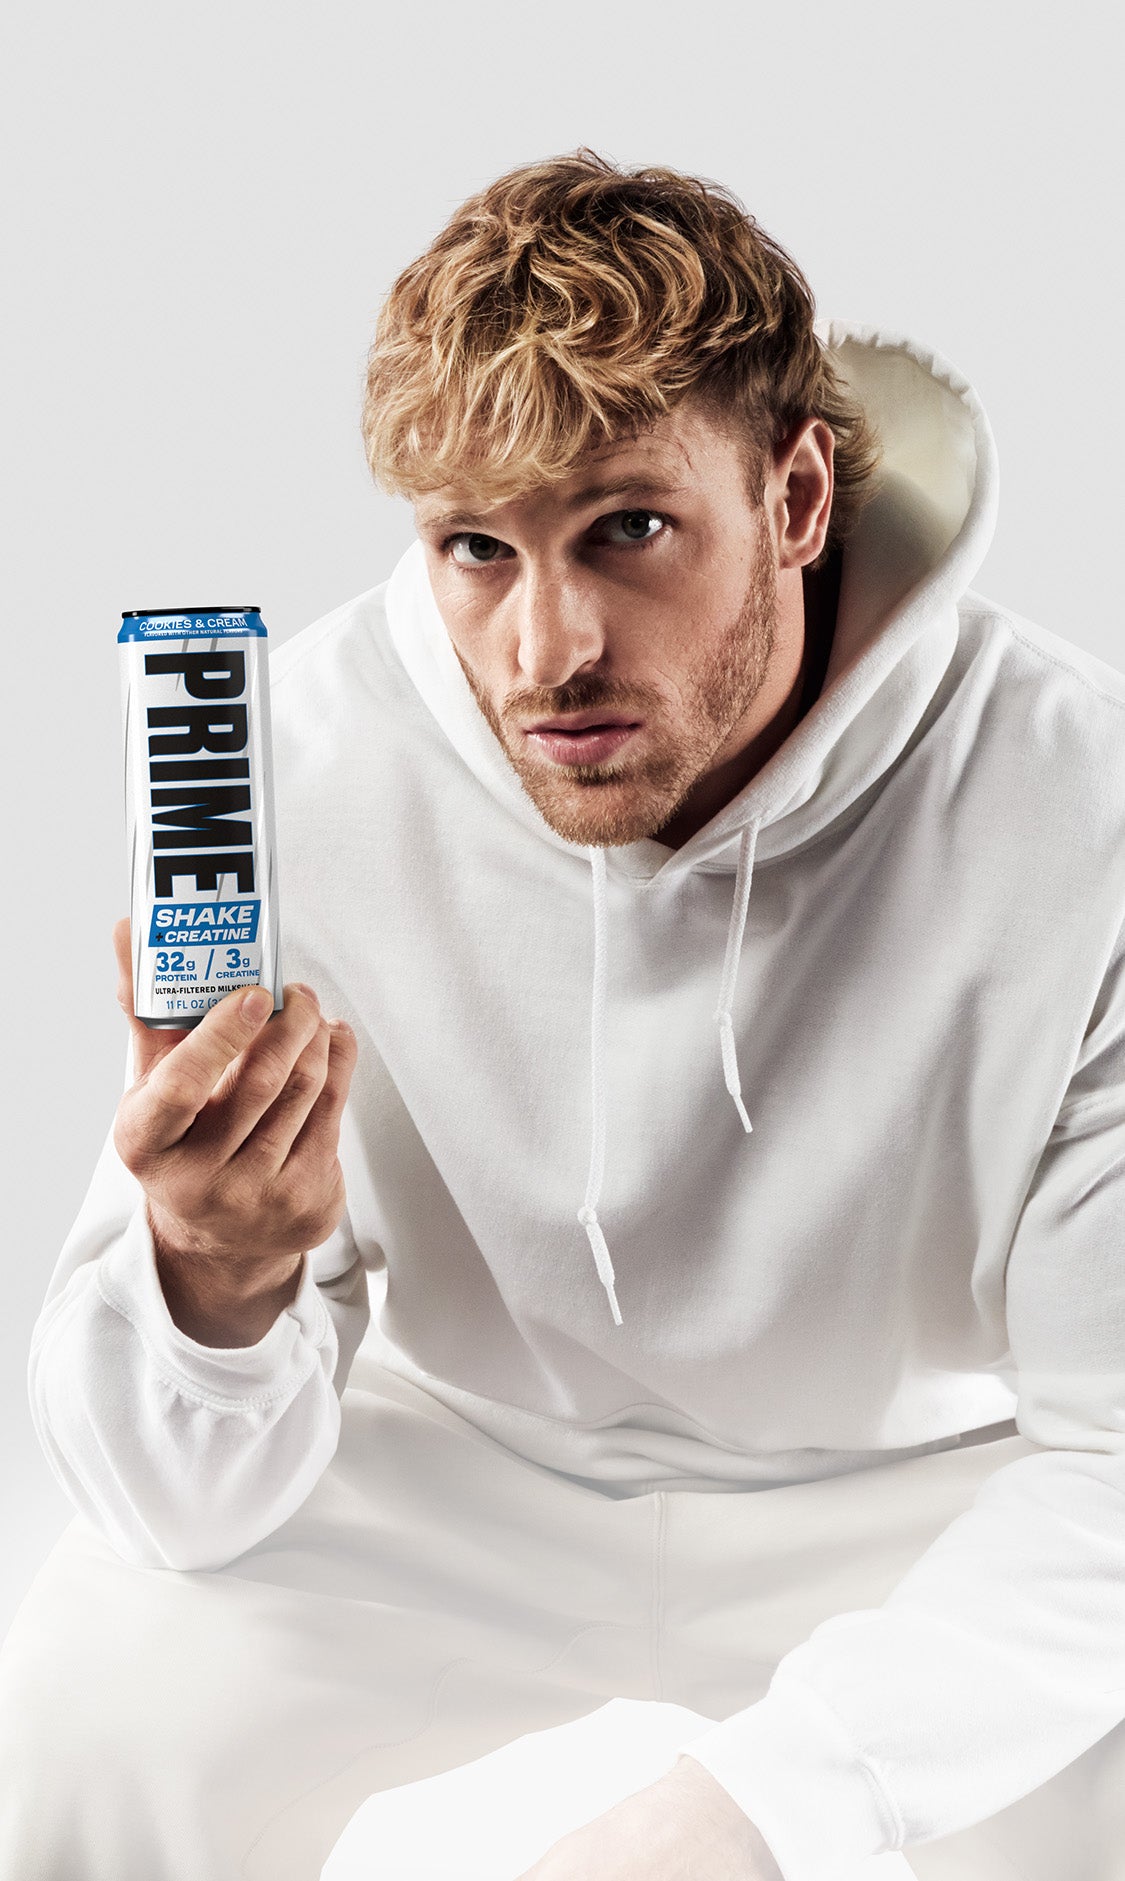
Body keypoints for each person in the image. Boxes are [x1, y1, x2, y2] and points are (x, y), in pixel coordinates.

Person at [2, 147, 1125, 1881]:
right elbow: (171, 1508)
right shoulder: (296, 763)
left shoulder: (1080, 804)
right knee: (84, 1708)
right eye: (477, 549)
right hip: (457, 1465)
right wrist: (212, 1282)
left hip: (914, 1487)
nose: (545, 653)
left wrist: (754, 1814)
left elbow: (1115, 1458)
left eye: (628, 529)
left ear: (798, 494)